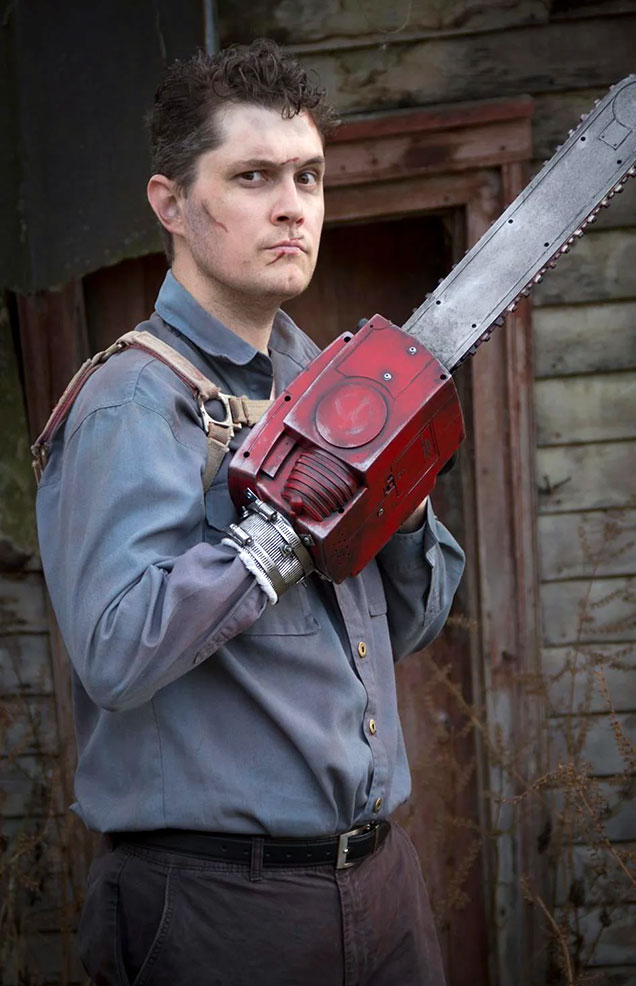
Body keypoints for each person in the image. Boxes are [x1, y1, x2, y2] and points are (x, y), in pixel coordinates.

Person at [36, 39, 465, 986]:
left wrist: (392, 497)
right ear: (172, 204)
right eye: (254, 176)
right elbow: (114, 648)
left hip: (384, 886)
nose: (292, 205)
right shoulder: (133, 405)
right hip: (219, 907)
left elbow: (411, 626)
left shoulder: (329, 386)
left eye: (308, 176)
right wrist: (280, 529)